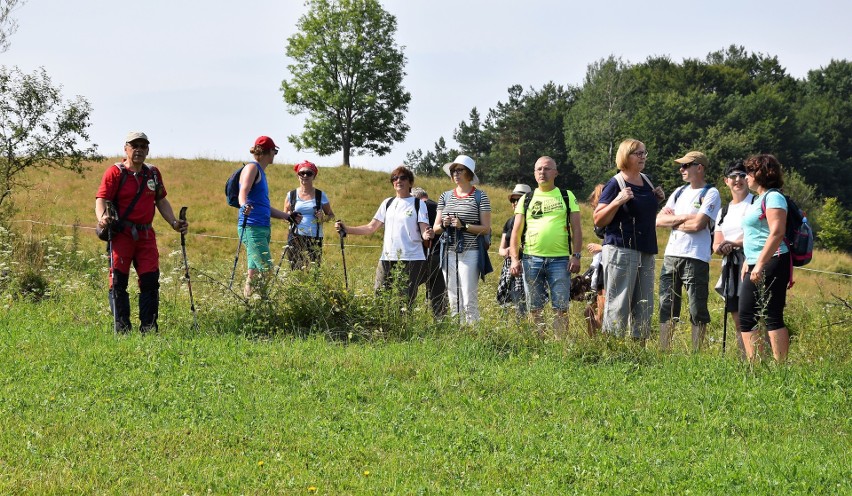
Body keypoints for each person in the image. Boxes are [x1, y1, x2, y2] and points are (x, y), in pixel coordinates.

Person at [95, 131, 188, 333]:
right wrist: (102, 217)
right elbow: (101, 198)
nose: (138, 150)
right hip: (121, 235)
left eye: (143, 146)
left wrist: (173, 222)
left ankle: (148, 327)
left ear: (148, 150)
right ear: (126, 148)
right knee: (118, 281)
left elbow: (161, 200)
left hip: (146, 236)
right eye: (134, 145)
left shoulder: (153, 173)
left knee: (150, 280)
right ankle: (122, 328)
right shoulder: (115, 172)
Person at [594, 140, 665, 341]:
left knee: (644, 304)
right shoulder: (615, 183)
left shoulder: (647, 181)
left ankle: (637, 352)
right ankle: (613, 349)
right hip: (621, 249)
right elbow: (598, 218)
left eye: (644, 153)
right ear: (626, 156)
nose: (642, 157)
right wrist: (618, 200)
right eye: (637, 153)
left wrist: (656, 200)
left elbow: (641, 213)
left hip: (646, 251)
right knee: (618, 303)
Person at [335, 166, 433, 306]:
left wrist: (428, 233)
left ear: (410, 182)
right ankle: (383, 327)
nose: (398, 180)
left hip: (411, 258)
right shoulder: (387, 203)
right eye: (395, 178)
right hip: (387, 257)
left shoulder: (418, 204)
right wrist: (347, 229)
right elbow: (371, 227)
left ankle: (404, 327)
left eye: (403, 177)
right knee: (379, 295)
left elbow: (424, 230)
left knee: (405, 301)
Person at [509, 156, 583, 338]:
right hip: (531, 259)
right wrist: (514, 259)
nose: (543, 172)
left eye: (547, 168)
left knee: (561, 307)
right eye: (539, 169)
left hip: (560, 260)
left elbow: (577, 229)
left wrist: (576, 255)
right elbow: (516, 232)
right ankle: (538, 344)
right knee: (535, 307)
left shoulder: (567, 196)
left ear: (556, 173)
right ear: (534, 174)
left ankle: (559, 347)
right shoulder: (526, 199)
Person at [656, 150, 721, 351]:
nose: (681, 169)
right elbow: (659, 220)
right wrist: (686, 218)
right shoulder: (678, 192)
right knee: (666, 304)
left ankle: (696, 353)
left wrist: (674, 221)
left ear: (699, 168)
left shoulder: (711, 193)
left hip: (696, 257)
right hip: (671, 256)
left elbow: (699, 225)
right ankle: (664, 350)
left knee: (696, 306)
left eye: (685, 166)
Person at [739, 154, 792, 362]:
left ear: (760, 174)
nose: (746, 178)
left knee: (770, 314)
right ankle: (758, 367)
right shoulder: (758, 199)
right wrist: (748, 261)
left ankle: (778, 370)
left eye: (749, 173)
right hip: (757, 262)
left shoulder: (774, 197)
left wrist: (759, 264)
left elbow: (777, 232)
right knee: (747, 314)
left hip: (773, 261)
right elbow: (756, 234)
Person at [433, 155, 492, 324]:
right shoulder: (445, 196)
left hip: (470, 251)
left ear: (469, 174)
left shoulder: (480, 196)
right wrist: (444, 224)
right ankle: (457, 333)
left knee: (468, 297)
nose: (455, 174)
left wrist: (463, 226)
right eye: (453, 170)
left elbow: (486, 228)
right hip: (448, 251)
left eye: (460, 170)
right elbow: (436, 228)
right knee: (452, 296)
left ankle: (473, 333)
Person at [237, 136, 299, 296]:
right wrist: (244, 205)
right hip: (252, 227)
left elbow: (265, 207)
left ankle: (249, 307)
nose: (275, 155)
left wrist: (288, 217)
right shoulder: (252, 168)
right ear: (268, 151)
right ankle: (262, 307)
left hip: (262, 227)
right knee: (267, 270)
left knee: (254, 273)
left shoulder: (261, 172)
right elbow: (243, 191)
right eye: (275, 151)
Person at [712, 160, 754, 360]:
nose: (738, 180)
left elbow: (762, 235)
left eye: (742, 175)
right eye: (733, 176)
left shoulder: (756, 203)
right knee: (737, 316)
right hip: (730, 267)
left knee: (755, 315)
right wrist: (723, 247)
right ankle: (743, 360)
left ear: (749, 179)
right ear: (726, 181)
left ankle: (760, 361)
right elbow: (716, 245)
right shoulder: (724, 211)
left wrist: (735, 244)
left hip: (752, 264)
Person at [283, 160, 334, 270]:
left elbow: (331, 215)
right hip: (295, 236)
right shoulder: (291, 194)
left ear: (314, 176)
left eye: (309, 173)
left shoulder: (321, 195)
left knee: (313, 270)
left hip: (315, 238)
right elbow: (284, 216)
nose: (305, 175)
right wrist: (290, 216)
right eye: (302, 173)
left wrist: (322, 218)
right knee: (295, 270)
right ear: (298, 175)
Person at [412, 187, 448, 318]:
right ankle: (440, 321)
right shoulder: (439, 208)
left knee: (409, 286)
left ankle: (406, 316)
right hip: (443, 254)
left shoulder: (418, 207)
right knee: (438, 293)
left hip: (423, 254)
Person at [497, 184, 532, 317]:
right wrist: (505, 251)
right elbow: (501, 248)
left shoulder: (533, 221)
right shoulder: (509, 222)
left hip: (528, 264)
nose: (515, 203)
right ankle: (520, 328)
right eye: (513, 200)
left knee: (529, 302)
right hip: (511, 266)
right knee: (514, 300)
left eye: (519, 199)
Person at [584, 184, 606, 337]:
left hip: (607, 265)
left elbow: (621, 239)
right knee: (588, 311)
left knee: (602, 309)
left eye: (595, 206)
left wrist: (602, 247)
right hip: (599, 265)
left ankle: (603, 342)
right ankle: (593, 342)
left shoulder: (612, 214)